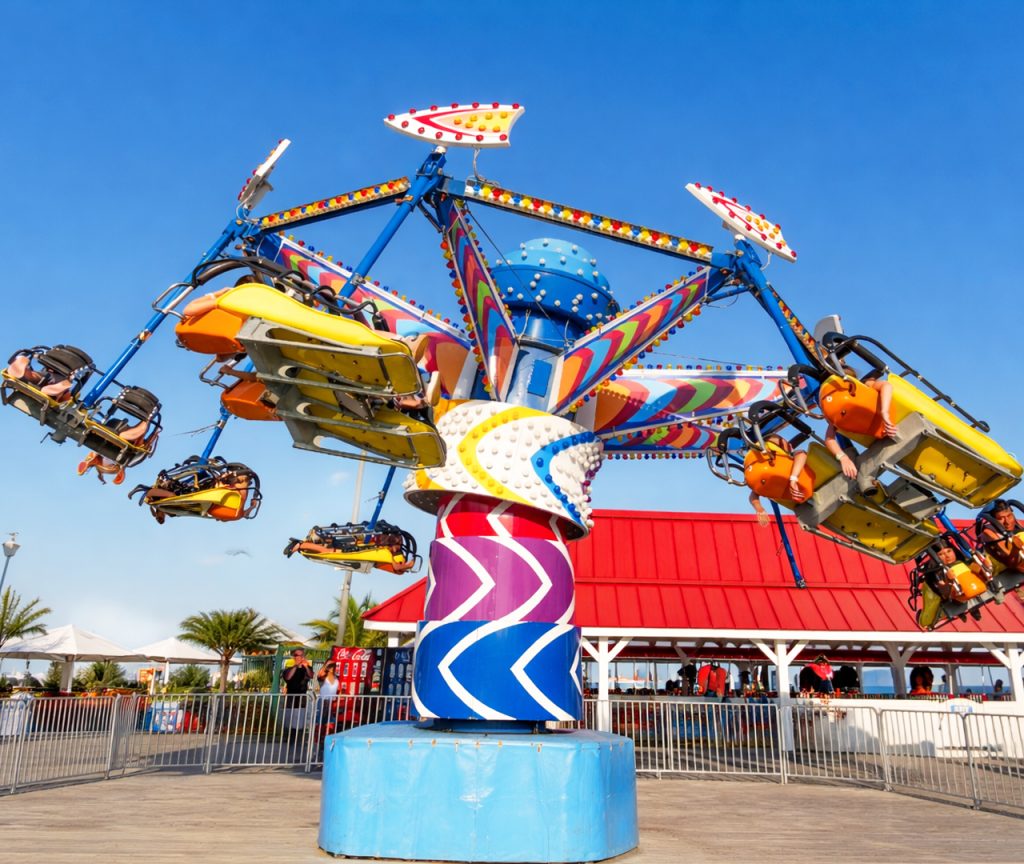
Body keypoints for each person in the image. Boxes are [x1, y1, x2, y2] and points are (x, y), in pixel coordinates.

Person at [824, 365, 897, 481]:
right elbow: (829, 438)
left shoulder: (866, 385)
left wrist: (885, 412)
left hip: (893, 422)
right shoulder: (841, 408)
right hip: (881, 439)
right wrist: (843, 458)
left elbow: (886, 386)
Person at [747, 434, 812, 526]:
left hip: (801, 485)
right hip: (796, 495)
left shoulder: (792, 456)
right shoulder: (773, 466)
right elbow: (753, 495)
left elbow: (801, 454)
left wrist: (793, 478)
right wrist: (759, 509)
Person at [316, 659, 341, 727]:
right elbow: (319, 676)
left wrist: (338, 699)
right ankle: (317, 736)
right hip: (323, 701)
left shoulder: (336, 677)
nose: (331, 667)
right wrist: (326, 665)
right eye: (330, 665)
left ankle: (326, 735)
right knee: (320, 721)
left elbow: (338, 689)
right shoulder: (323, 676)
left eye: (333, 665)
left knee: (330, 723)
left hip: (332, 702)